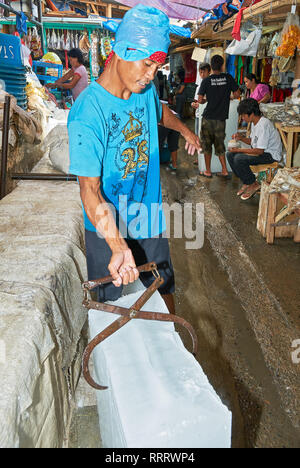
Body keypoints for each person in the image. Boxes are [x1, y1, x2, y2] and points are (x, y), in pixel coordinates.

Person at [67, 4, 200, 315]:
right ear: (122, 52)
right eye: (145, 65)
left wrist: (185, 130)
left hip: (147, 215)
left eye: (156, 68)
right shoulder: (87, 113)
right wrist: (117, 245)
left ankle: (172, 337)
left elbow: (161, 111)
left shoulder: (144, 91)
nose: (150, 76)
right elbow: (90, 190)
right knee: (110, 303)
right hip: (105, 226)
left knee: (163, 285)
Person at [226, 98, 282, 201]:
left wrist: (238, 150)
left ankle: (253, 184)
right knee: (229, 155)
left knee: (239, 158)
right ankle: (247, 182)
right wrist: (241, 138)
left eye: (243, 115)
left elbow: (259, 151)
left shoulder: (264, 124)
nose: (242, 118)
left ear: (251, 114)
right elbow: (253, 141)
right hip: (262, 152)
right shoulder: (254, 122)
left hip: (270, 155)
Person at [197, 54, 240, 178]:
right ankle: (225, 170)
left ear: (211, 66)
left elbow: (200, 100)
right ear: (222, 65)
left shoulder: (206, 81)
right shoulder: (228, 78)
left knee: (206, 144)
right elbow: (237, 94)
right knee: (220, 144)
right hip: (221, 118)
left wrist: (206, 100)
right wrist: (228, 96)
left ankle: (208, 171)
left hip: (208, 117)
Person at [191, 62, 211, 165]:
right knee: (197, 137)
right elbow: (196, 101)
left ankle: (203, 160)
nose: (202, 74)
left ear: (209, 72)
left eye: (204, 72)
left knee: (205, 138)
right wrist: (193, 104)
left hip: (207, 116)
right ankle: (199, 158)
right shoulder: (199, 87)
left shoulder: (211, 85)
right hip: (198, 115)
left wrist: (203, 101)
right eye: (200, 72)